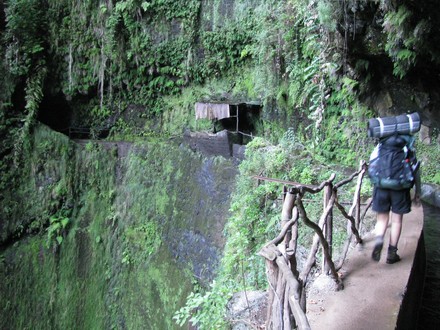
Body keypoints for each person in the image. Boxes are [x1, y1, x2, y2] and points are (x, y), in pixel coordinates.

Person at [370, 136, 421, 264]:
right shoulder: (407, 149)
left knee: (382, 219)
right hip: (400, 188)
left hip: (381, 187)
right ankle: (392, 254)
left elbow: (372, 166)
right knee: (397, 221)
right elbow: (415, 171)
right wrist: (418, 192)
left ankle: (379, 239)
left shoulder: (380, 147)